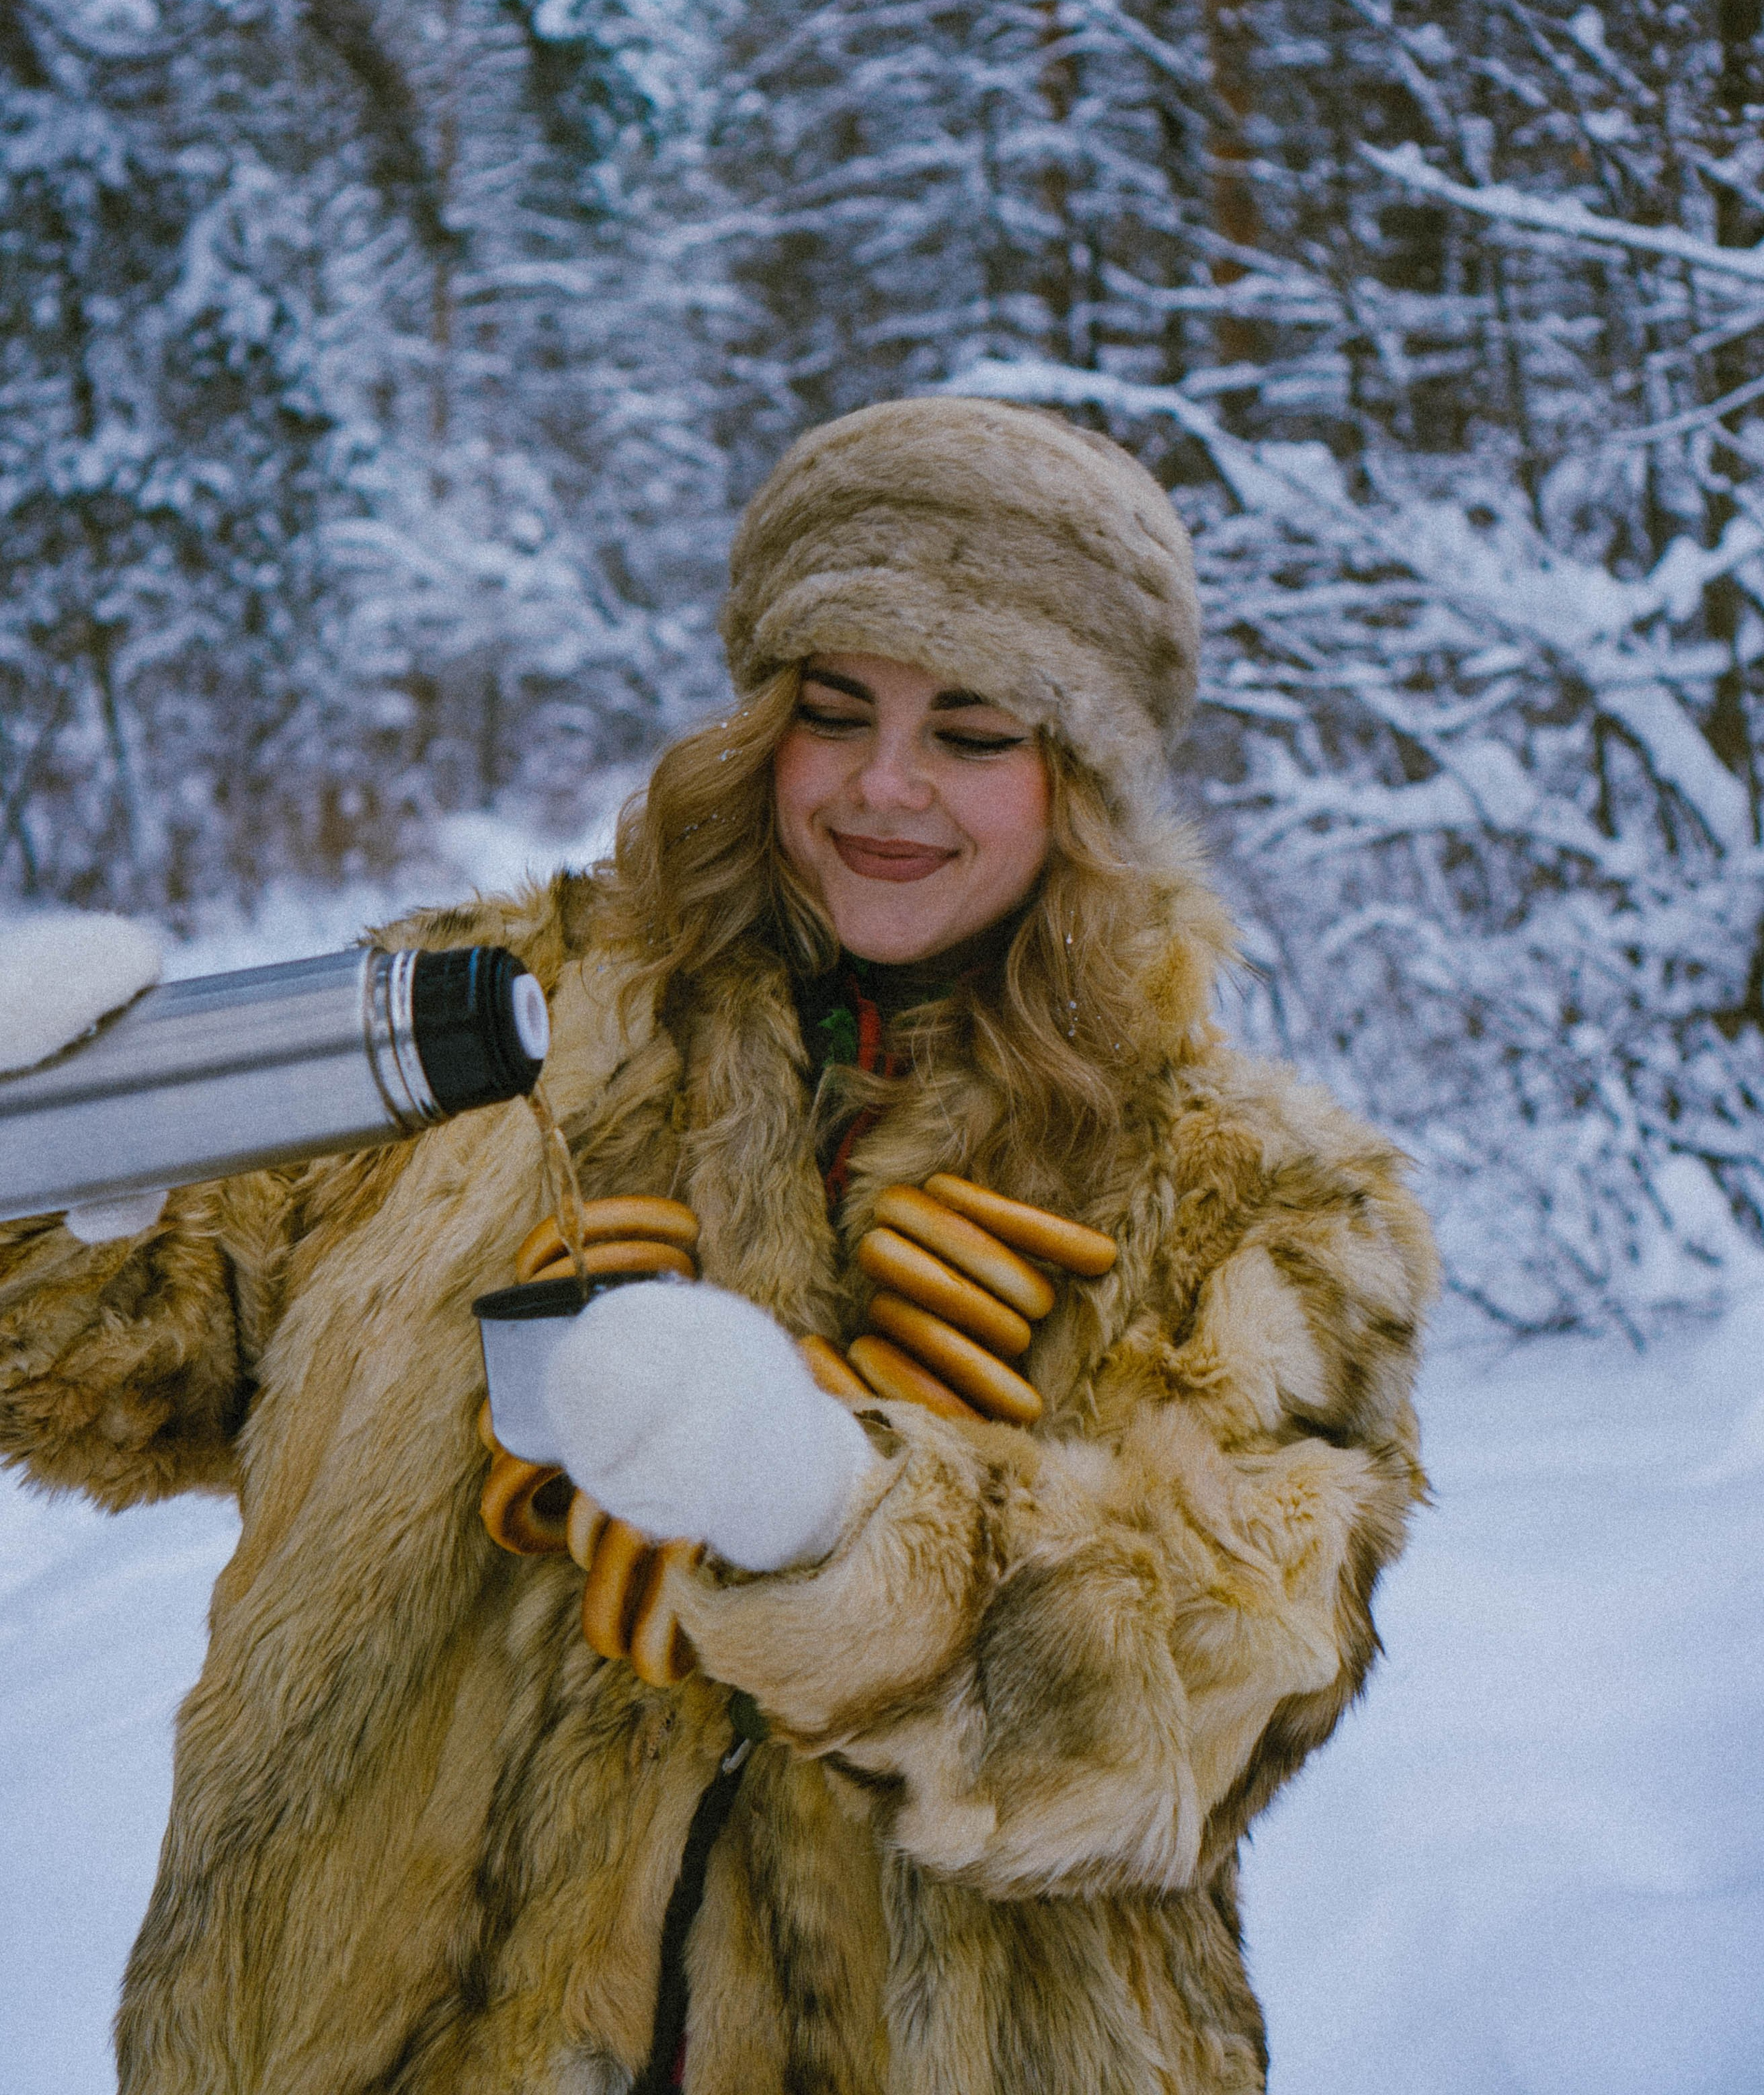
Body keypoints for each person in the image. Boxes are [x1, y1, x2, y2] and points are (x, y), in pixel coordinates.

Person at [0, 398, 1437, 2095]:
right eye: (834, 711)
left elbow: (1206, 1704)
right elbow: (115, 1363)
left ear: (1085, 776)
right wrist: (54, 1162)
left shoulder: (1254, 1201)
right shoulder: (485, 1024)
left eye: (971, 729)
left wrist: (826, 1517)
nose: (884, 785)